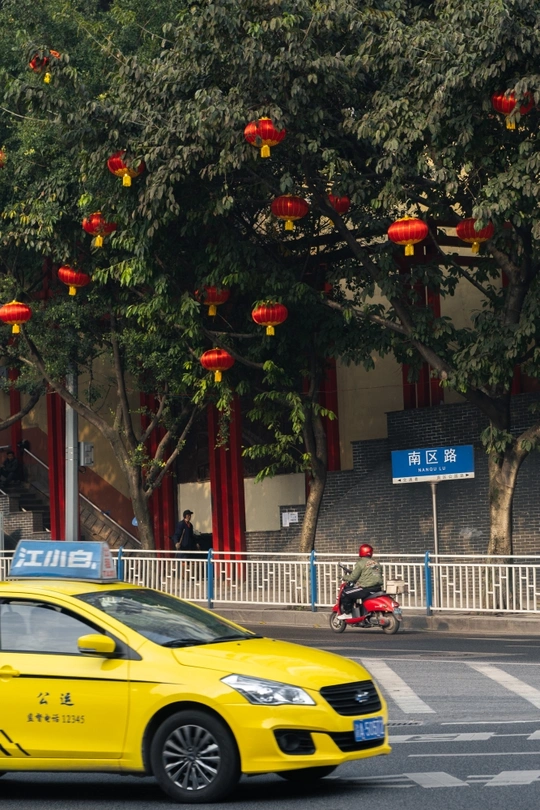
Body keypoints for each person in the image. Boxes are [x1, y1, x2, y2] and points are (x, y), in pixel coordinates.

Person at [338, 544, 384, 619]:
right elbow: (372, 574)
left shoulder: (360, 563)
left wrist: (343, 577)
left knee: (345, 593)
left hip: (366, 588)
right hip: (377, 588)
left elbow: (353, 577)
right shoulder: (377, 563)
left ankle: (348, 613)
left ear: (361, 551)